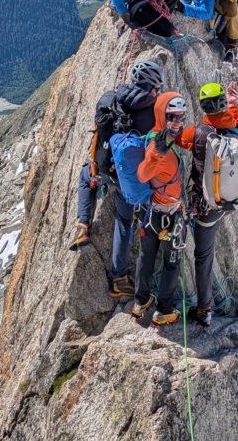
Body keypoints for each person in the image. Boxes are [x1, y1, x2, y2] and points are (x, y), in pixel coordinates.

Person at [68, 60, 164, 299]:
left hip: (102, 168)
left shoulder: (108, 99)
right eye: (157, 88)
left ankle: (83, 224)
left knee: (84, 176)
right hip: (125, 181)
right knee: (124, 222)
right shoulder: (152, 113)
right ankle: (119, 277)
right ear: (151, 87)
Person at [186, 82, 238, 327]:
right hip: (230, 200)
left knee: (203, 256)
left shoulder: (200, 133)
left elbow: (180, 139)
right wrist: (232, 106)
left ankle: (204, 309)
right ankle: (205, 307)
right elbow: (236, 125)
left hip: (206, 206)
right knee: (206, 251)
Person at [132, 91, 195, 326]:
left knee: (146, 258)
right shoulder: (158, 145)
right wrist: (157, 153)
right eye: (172, 117)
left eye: (181, 116)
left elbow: (187, 137)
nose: (177, 122)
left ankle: (140, 302)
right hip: (170, 215)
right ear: (161, 114)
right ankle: (164, 310)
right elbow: (143, 174)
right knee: (171, 263)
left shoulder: (159, 134)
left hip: (151, 214)